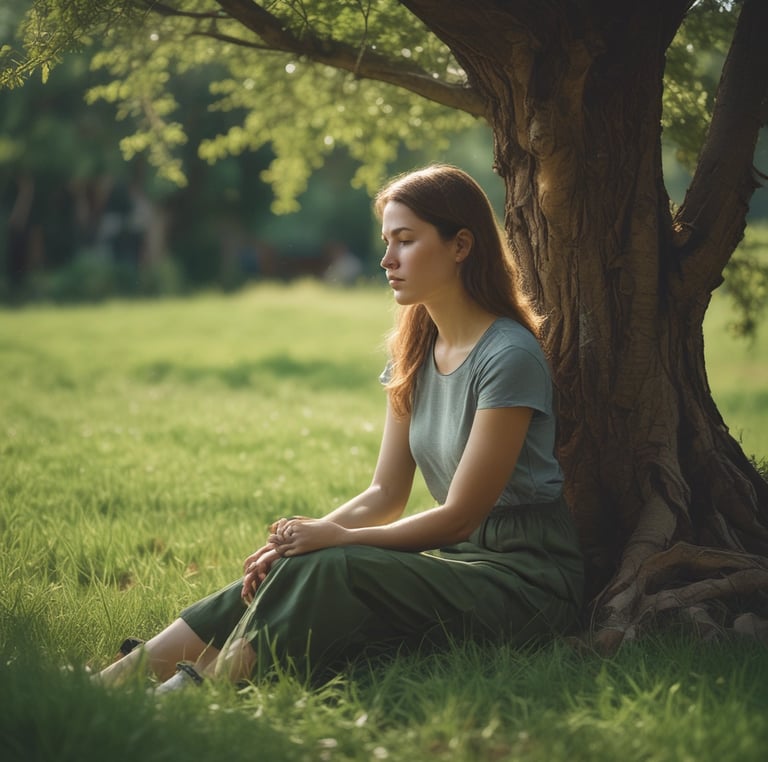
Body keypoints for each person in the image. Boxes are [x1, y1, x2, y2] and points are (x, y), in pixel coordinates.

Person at [95, 164, 584, 693]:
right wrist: (303, 542)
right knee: (305, 562)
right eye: (386, 241)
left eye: (406, 241)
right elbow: (384, 492)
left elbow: (460, 518)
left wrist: (338, 537)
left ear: (461, 245)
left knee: (335, 562)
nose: (386, 259)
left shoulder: (509, 355)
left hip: (526, 585)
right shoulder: (415, 353)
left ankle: (193, 695)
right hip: (457, 569)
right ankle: (114, 682)